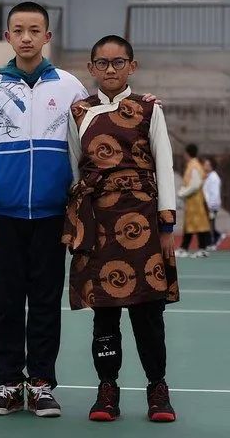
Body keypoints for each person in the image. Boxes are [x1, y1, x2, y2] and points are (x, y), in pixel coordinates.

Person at [0, 3, 156, 418]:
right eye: (19, 30)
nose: (27, 37)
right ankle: (7, 383)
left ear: (47, 37)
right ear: (8, 37)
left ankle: (41, 384)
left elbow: (92, 137)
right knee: (8, 302)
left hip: (54, 217)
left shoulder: (69, 87)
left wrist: (143, 103)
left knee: (46, 301)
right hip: (4, 217)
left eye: (35, 30)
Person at [63, 35, 178, 424]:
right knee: (105, 313)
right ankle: (107, 388)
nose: (110, 69)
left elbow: (164, 164)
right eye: (102, 63)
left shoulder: (149, 109)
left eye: (118, 62)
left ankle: (157, 388)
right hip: (98, 224)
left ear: (132, 66)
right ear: (91, 68)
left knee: (148, 311)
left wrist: (167, 223)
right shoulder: (79, 112)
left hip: (144, 221)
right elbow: (74, 168)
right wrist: (76, 222)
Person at [176, 145, 211, 258]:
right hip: (193, 200)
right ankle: (186, 247)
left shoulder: (194, 166)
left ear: (187, 153)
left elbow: (195, 185)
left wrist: (182, 193)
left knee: (198, 225)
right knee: (192, 225)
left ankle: (200, 248)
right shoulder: (194, 165)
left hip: (195, 200)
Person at [202, 158, 223, 250]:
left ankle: (213, 241)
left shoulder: (214, 177)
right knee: (209, 224)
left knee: (210, 224)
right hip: (208, 204)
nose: (205, 166)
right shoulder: (207, 176)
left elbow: (215, 193)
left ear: (212, 166)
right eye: (205, 164)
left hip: (212, 205)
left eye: (207, 165)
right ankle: (213, 240)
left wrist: (210, 206)